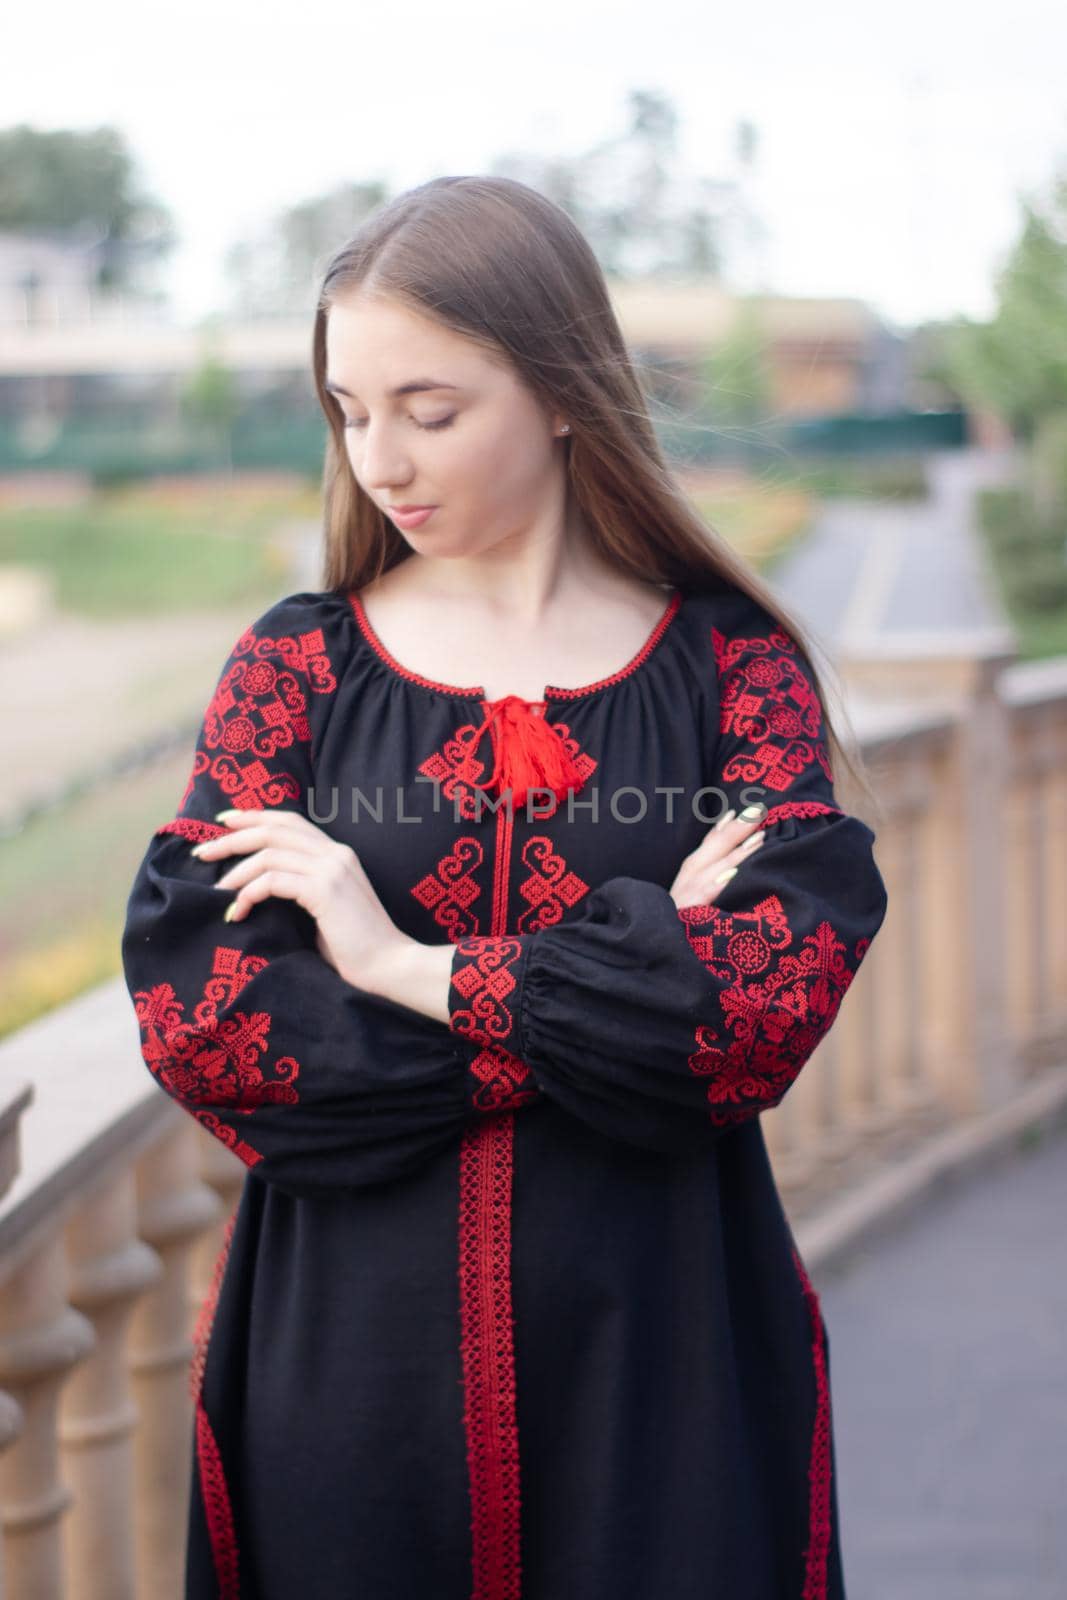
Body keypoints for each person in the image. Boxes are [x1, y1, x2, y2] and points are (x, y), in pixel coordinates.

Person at [121, 173, 888, 1600]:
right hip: (343, 1372)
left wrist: (394, 960)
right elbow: (210, 1026)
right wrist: (619, 986)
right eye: (348, 412)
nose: (378, 461)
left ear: (556, 392)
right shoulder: (293, 675)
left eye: (428, 408)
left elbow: (758, 1017)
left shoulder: (736, 671)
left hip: (669, 1361)